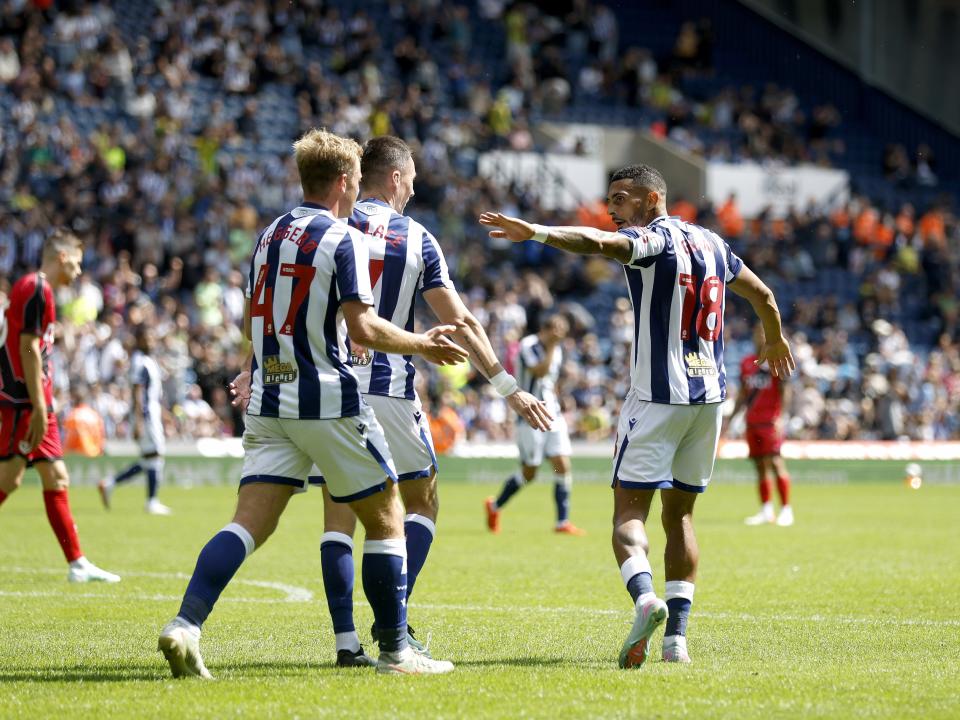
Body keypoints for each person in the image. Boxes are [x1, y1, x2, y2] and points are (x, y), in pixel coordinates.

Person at [229, 135, 551, 668]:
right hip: (388, 382)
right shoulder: (415, 237)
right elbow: (462, 322)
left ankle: (346, 642)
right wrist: (506, 387)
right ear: (396, 178)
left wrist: (250, 367)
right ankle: (393, 624)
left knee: (339, 515)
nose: (415, 189)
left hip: (327, 385)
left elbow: (279, 306)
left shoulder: (324, 225)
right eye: (414, 179)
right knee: (421, 500)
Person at [157, 128, 467, 680]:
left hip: (271, 401)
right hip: (328, 399)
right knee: (389, 513)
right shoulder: (342, 238)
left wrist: (252, 369)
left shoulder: (268, 235)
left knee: (249, 522)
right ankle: (397, 652)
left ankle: (186, 623)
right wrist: (424, 342)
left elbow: (255, 316)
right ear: (345, 183)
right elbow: (364, 328)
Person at [479, 163, 795, 669]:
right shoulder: (714, 244)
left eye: (621, 199)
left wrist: (535, 231)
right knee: (682, 516)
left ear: (653, 200)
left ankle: (647, 599)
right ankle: (678, 642)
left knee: (628, 514)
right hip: (708, 401)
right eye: (610, 200)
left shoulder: (654, 240)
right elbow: (764, 296)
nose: (612, 210)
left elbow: (597, 245)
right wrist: (776, 337)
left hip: (656, 398)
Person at [0, 229, 120, 584]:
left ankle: (77, 563)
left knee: (56, 476)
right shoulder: (36, 288)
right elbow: (29, 349)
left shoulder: (36, 289)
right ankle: (77, 563)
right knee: (10, 478)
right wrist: (39, 407)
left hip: (36, 401)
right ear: (62, 258)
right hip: (25, 402)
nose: (80, 274)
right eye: (78, 264)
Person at [486, 314, 587, 536]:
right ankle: (494, 506)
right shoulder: (528, 345)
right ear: (547, 328)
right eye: (558, 329)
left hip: (553, 414)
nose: (561, 334)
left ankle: (562, 521)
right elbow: (539, 371)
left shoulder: (556, 348)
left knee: (562, 464)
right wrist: (552, 347)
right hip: (529, 415)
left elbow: (548, 381)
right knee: (530, 472)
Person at [98, 325, 171, 515]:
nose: (151, 341)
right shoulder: (139, 361)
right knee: (155, 455)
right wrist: (138, 421)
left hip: (151, 413)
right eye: (147, 338)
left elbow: (152, 393)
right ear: (139, 339)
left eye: (152, 337)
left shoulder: (147, 360)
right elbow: (137, 392)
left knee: (150, 458)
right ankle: (152, 501)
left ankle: (110, 484)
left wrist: (164, 414)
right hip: (145, 416)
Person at [730, 324, 793, 526]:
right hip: (752, 422)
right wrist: (733, 417)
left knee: (776, 463)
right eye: (758, 333)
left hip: (770, 421)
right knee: (759, 467)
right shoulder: (747, 362)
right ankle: (766, 510)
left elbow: (786, 390)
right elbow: (742, 393)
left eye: (764, 333)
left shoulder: (776, 360)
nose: (761, 337)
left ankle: (786, 510)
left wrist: (782, 417)